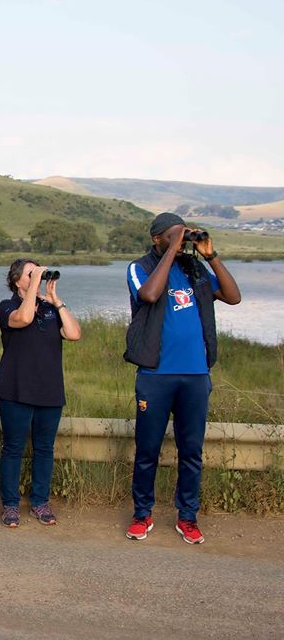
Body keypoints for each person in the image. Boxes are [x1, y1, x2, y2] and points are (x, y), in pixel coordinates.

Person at [124, 213, 241, 544]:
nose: (181, 242)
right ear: (156, 239)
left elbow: (233, 297)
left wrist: (211, 256)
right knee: (148, 449)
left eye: (183, 235)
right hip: (155, 374)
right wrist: (175, 245)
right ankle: (142, 513)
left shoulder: (196, 269)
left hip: (195, 374)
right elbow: (149, 295)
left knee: (191, 450)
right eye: (172, 236)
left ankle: (187, 517)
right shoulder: (140, 267)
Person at [0, 259, 81, 528]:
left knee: (44, 449)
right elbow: (24, 318)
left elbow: (74, 334)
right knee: (14, 448)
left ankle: (40, 502)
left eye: (38, 274)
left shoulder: (50, 308)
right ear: (17, 280)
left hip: (49, 389)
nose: (37, 278)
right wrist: (34, 292)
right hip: (15, 389)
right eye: (31, 274)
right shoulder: (6, 306)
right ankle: (10, 505)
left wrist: (56, 300)